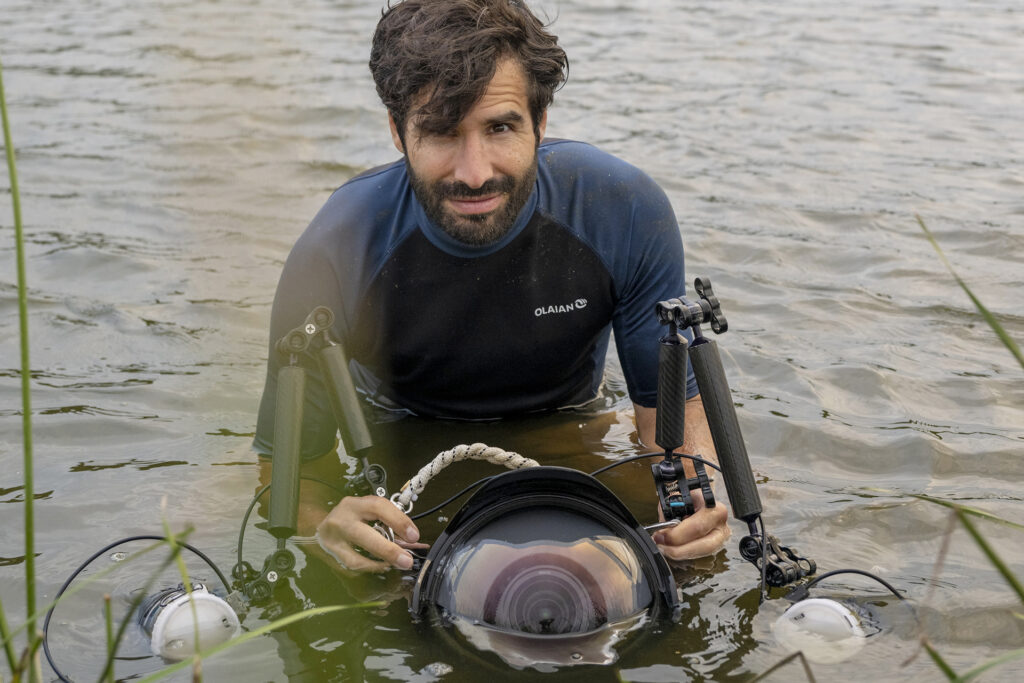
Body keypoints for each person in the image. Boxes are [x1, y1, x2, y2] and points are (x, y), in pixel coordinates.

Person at [253, 0, 730, 573]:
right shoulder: (335, 249)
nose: (474, 171)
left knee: (733, 518)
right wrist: (322, 527)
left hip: (568, 427)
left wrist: (699, 506)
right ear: (397, 131)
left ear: (541, 123)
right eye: (440, 131)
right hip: (399, 440)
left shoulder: (621, 211)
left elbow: (670, 434)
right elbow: (288, 473)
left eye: (500, 127)